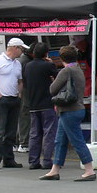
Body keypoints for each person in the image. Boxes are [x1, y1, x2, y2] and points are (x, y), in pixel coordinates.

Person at [39, 45, 96, 182]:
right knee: (60, 140)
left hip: (69, 110)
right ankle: (54, 170)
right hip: (76, 108)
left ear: (61, 58)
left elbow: (53, 89)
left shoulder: (66, 71)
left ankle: (89, 170)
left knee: (77, 140)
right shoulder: (78, 69)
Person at [0, 37, 28, 170]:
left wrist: (18, 94)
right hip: (1, 99)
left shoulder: (17, 64)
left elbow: (20, 81)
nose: (22, 52)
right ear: (15, 48)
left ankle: (8, 159)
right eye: (21, 49)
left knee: (10, 131)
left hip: (13, 99)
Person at [23, 42, 58, 171]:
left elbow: (25, 82)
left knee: (34, 133)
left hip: (33, 104)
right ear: (45, 53)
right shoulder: (48, 65)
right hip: (47, 103)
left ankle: (33, 161)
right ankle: (47, 160)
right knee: (49, 133)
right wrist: (51, 63)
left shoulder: (28, 66)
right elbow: (57, 78)